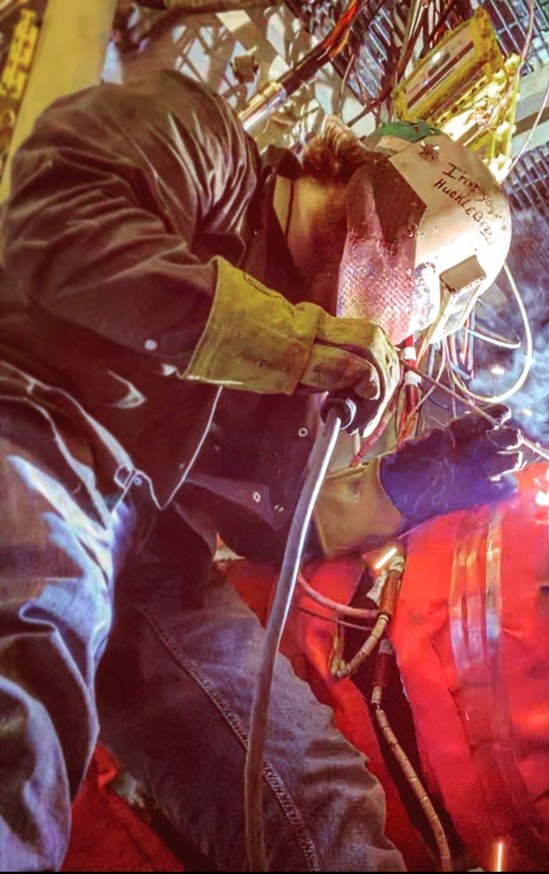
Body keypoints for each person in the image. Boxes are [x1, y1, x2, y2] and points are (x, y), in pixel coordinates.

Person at [0, 70, 521, 871]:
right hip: (31, 418)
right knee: (27, 678)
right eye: (426, 297)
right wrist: (294, 348)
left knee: (318, 798)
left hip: (145, 545)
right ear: (393, 218)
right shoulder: (203, 139)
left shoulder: (302, 380)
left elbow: (273, 527)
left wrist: (411, 490)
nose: (411, 328)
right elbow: (58, 226)